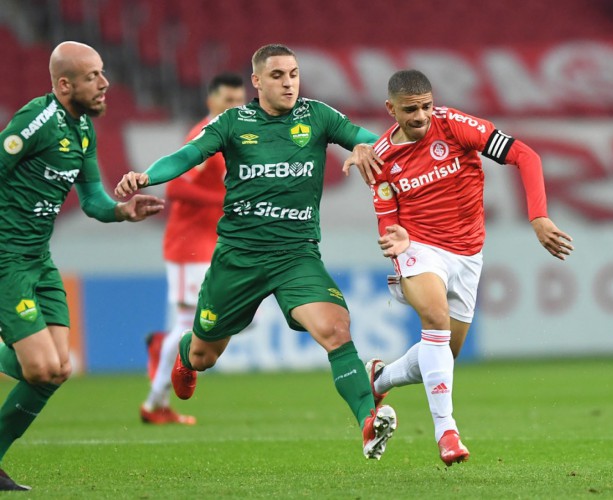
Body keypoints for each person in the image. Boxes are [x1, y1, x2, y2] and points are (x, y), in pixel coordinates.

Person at [115, 44, 397, 459]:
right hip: (238, 258)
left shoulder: (317, 116)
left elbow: (368, 139)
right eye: (279, 75)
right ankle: (184, 356)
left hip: (295, 254)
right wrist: (146, 176)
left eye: (294, 74)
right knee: (204, 353)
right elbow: (189, 155)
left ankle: (367, 422)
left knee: (336, 329)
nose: (289, 83)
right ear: (258, 81)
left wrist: (367, 147)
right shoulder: (232, 122)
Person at [347, 69, 574, 466]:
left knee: (445, 355)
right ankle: (447, 432)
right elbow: (387, 216)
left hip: (468, 253)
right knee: (434, 319)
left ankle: (379, 378)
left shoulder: (454, 126)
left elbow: (525, 155)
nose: (420, 117)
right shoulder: (381, 158)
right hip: (419, 248)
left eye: (425, 107)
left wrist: (538, 217)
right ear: (391, 109)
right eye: (410, 110)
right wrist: (394, 236)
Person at [0, 41, 164, 491]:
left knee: (58, 370)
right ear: (65, 83)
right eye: (93, 75)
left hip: (39, 258)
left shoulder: (84, 129)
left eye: (103, 72)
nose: (105, 82)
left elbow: (92, 200)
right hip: (7, 259)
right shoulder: (36, 121)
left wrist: (122, 211)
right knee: (37, 368)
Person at [140, 72, 246, 426]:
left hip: (211, 242)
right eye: (227, 101)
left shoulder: (233, 135)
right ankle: (155, 404)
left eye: (238, 101)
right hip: (189, 244)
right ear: (211, 102)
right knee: (190, 324)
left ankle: (161, 360)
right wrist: (224, 198)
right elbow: (176, 190)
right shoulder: (204, 136)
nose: (234, 107)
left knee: (217, 317)